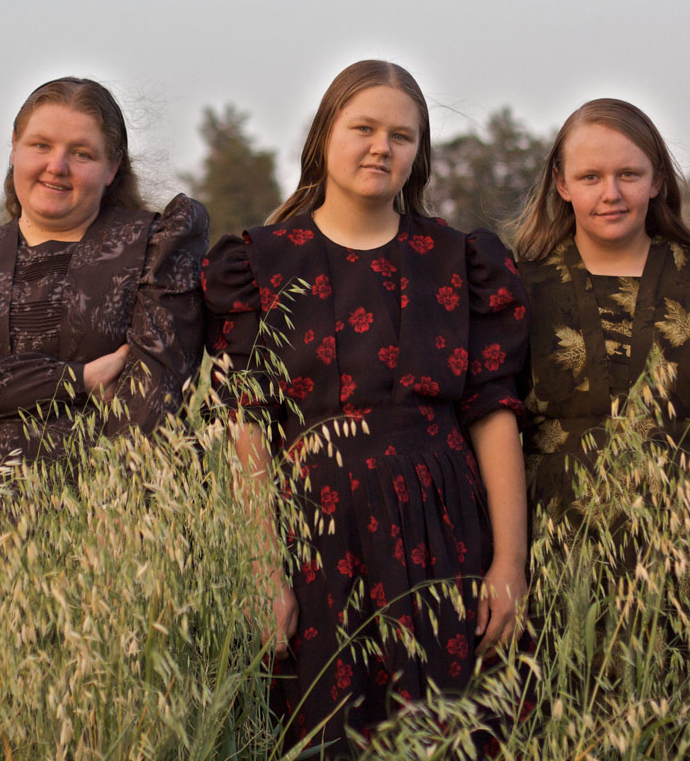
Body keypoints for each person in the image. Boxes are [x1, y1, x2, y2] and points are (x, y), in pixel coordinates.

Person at [201, 60, 529, 755]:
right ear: (325, 135)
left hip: (441, 531)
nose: (382, 147)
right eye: (364, 129)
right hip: (315, 541)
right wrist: (262, 569)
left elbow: (494, 413)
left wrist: (509, 563)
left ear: (419, 153)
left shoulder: (459, 260)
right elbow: (245, 424)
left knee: (446, 734)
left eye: (401, 136)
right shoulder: (260, 262)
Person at [511, 98, 690, 623]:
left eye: (628, 174)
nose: (611, 193)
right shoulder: (519, 290)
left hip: (688, 564)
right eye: (590, 176)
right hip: (556, 566)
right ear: (562, 184)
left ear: (657, 181)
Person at [0, 77, 209, 500]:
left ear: (112, 167)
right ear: (14, 146)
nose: (57, 166)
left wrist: (113, 520)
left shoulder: (155, 249)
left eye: (81, 153)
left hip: (122, 517)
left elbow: (150, 401)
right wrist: (80, 380)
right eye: (41, 145)